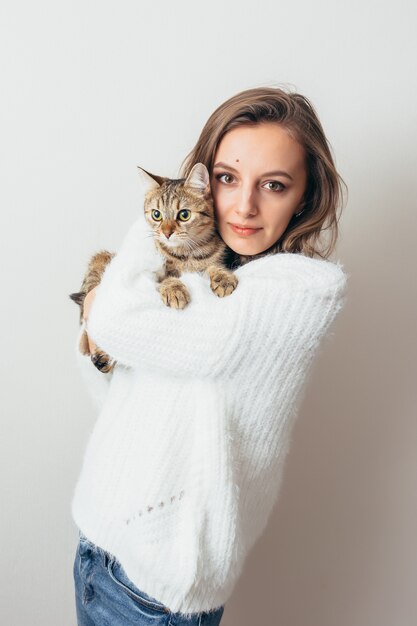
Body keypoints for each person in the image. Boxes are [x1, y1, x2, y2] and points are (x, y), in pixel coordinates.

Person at [72, 86, 349, 626]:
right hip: (94, 544)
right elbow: (109, 380)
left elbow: (110, 322)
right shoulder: (202, 270)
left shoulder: (300, 294)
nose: (244, 206)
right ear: (203, 180)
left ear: (306, 198)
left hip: (154, 593)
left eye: (273, 185)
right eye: (226, 178)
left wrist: (143, 247)